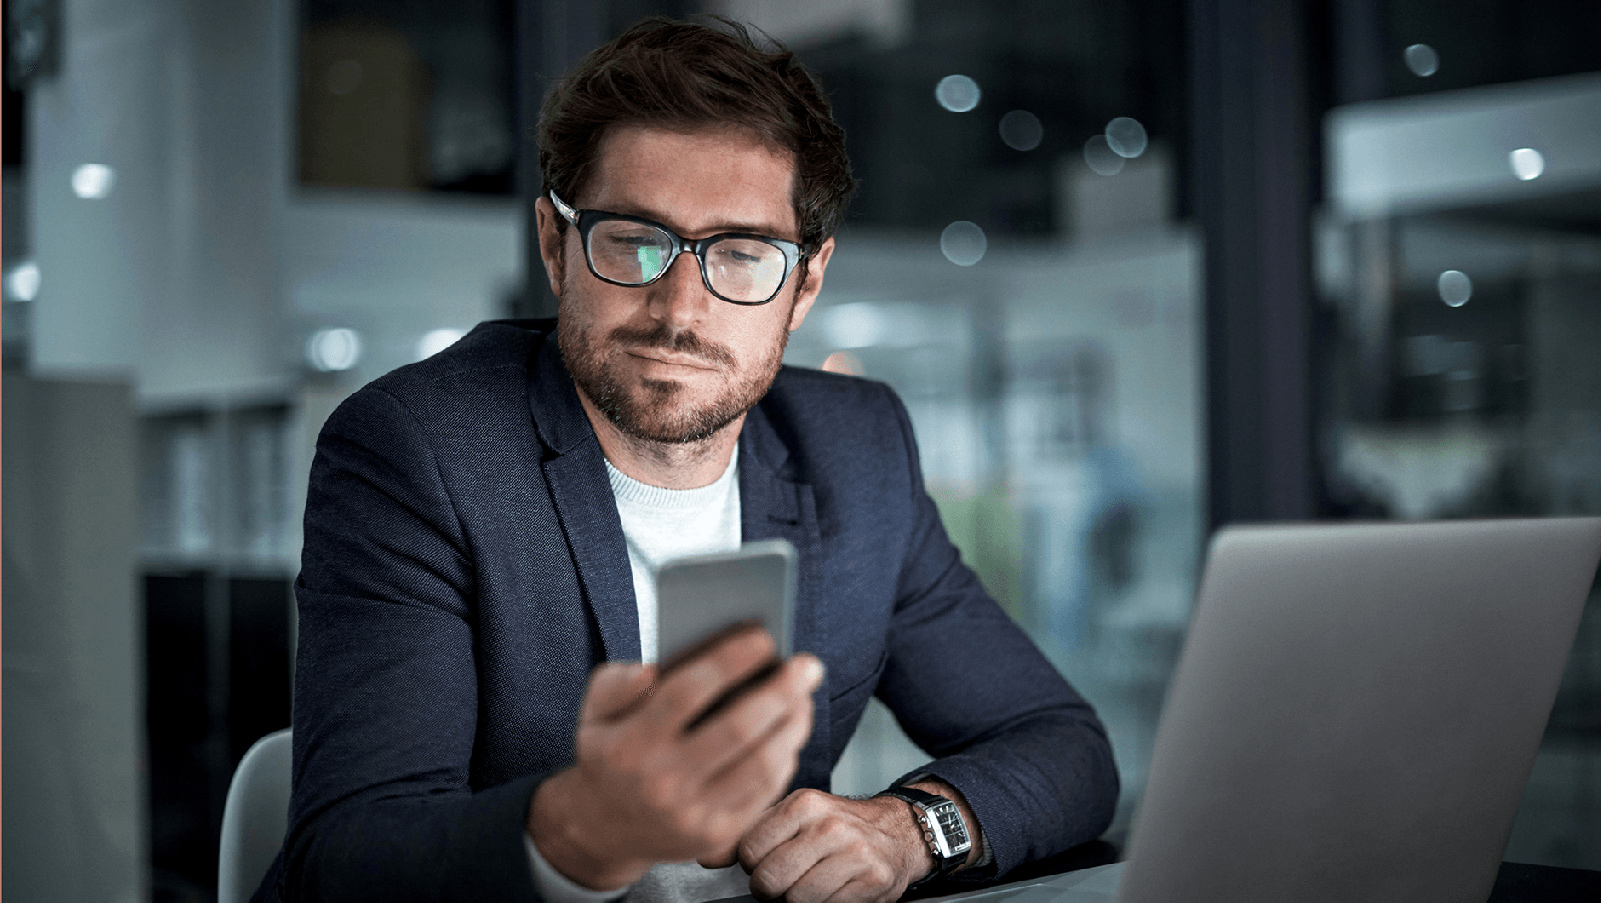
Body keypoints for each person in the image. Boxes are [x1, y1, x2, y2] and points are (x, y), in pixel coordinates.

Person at [260, 16, 1117, 903]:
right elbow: (348, 858)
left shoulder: (856, 451)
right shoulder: (418, 448)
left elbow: (1060, 743)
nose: (679, 309)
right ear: (557, 248)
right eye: (634, 242)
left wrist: (910, 830)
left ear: (805, 283)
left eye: (742, 255)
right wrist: (589, 829)